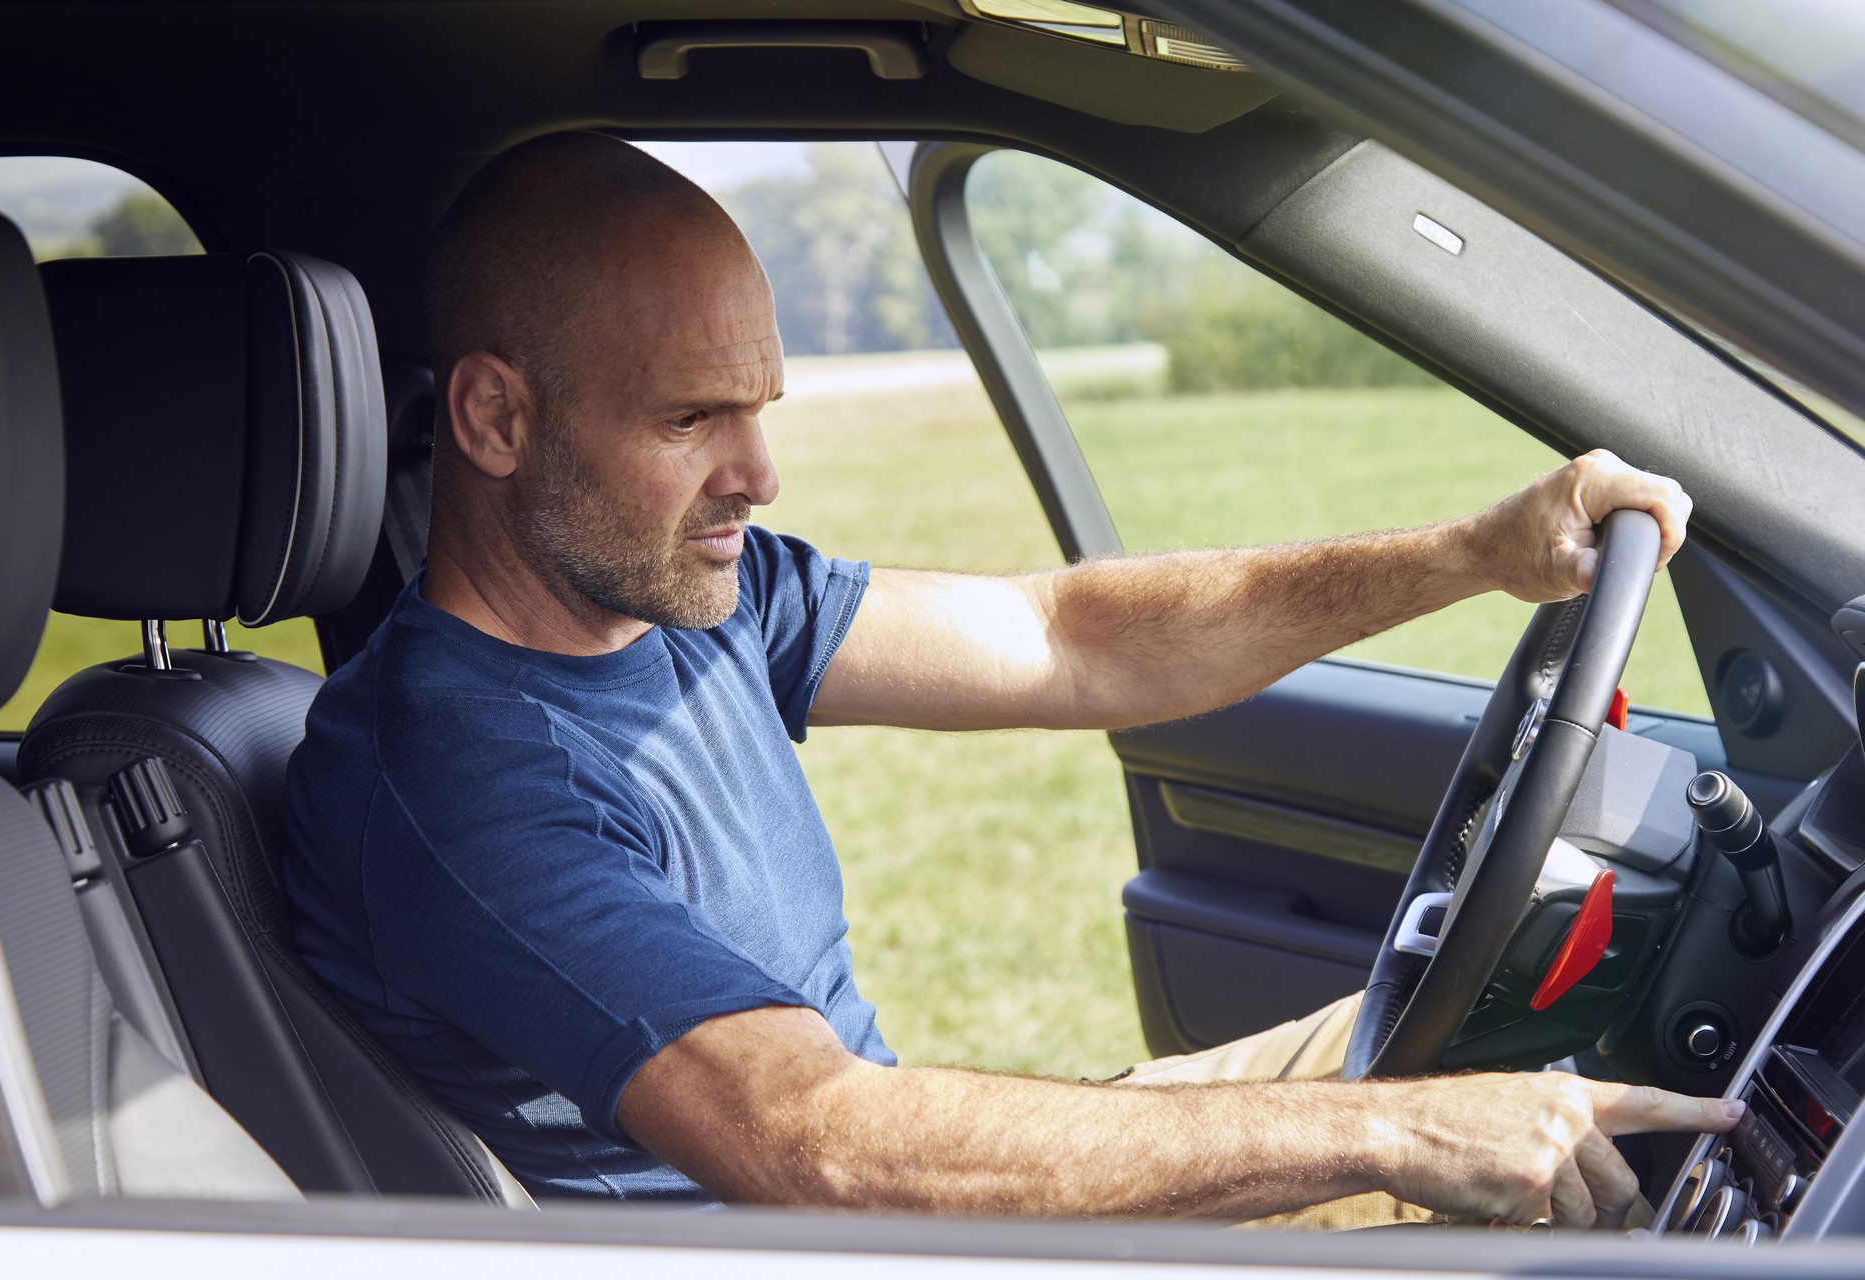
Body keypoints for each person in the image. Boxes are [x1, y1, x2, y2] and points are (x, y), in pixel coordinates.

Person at [283, 132, 1739, 1227]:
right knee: (1480, 1150)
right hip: (852, 1237)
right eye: (690, 419)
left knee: (1499, 1066)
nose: (759, 473)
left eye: (760, 407)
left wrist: (1468, 553)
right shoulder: (452, 782)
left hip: (900, 1204)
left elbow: (1070, 638)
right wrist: (1396, 1141)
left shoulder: (689, 600)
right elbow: (822, 1146)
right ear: (494, 418)